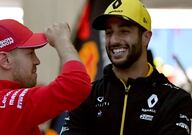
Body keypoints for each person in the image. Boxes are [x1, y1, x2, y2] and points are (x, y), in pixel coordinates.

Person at [59, 0, 192, 135]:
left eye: (124, 31)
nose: (114, 40)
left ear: (146, 37)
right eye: (109, 32)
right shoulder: (86, 95)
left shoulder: (174, 100)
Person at [0, 19, 91, 135]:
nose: (37, 61)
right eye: (30, 53)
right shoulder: (3, 106)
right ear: (5, 60)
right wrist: (63, 41)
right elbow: (75, 85)